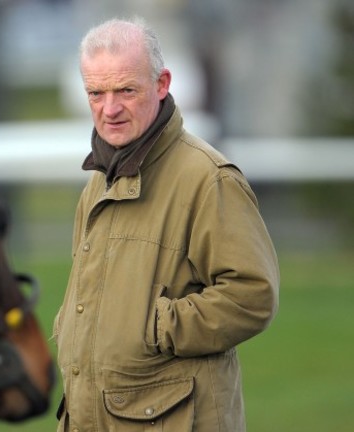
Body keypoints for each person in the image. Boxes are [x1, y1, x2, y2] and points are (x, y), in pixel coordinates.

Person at [53, 17, 279, 432]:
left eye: (126, 90)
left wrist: (156, 327)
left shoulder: (208, 177)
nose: (110, 108)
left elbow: (253, 295)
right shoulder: (99, 179)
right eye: (96, 93)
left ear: (161, 84)